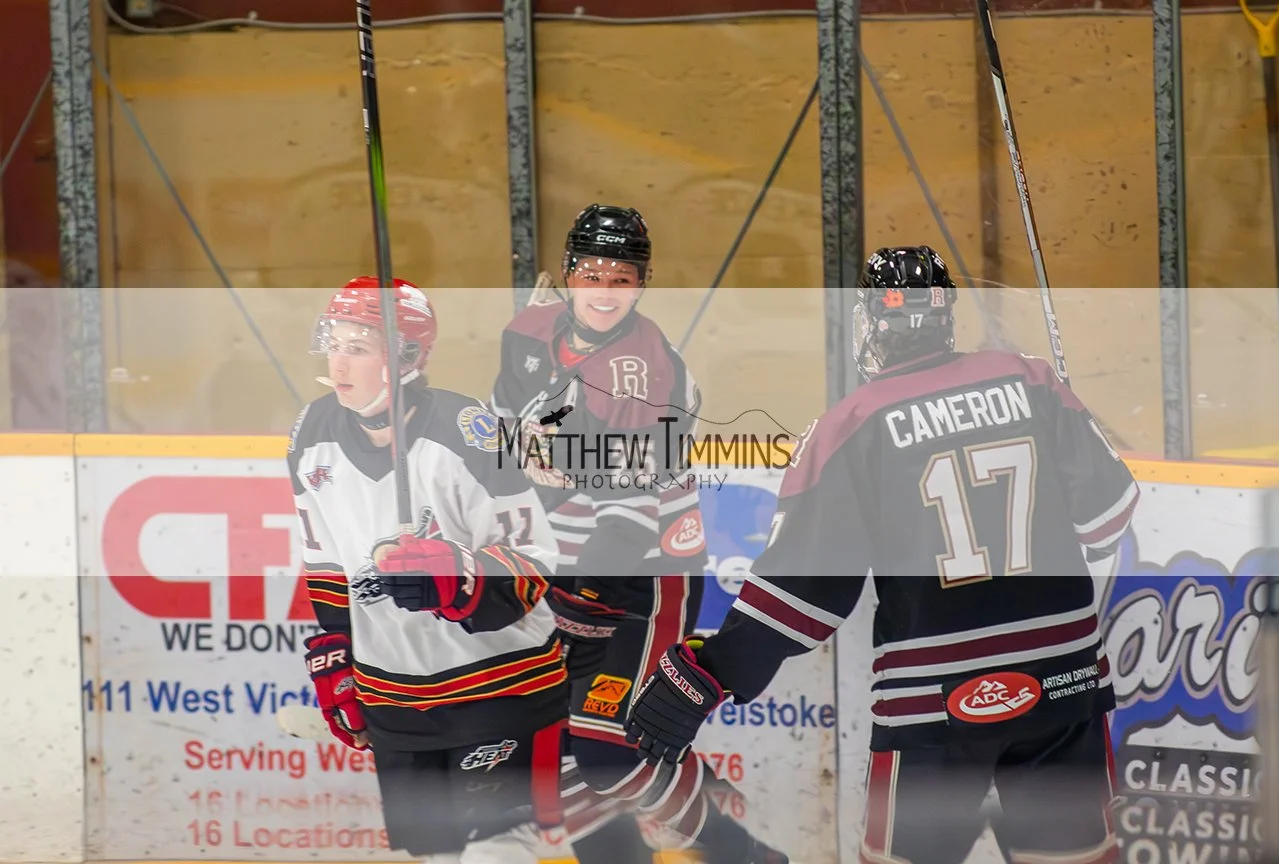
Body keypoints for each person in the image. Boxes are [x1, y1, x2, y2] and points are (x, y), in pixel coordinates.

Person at [626, 246, 1139, 864]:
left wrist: (711, 674)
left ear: (871, 321)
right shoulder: (1032, 380)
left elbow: (801, 596)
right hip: (1064, 678)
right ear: (945, 314)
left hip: (935, 700)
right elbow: (1108, 520)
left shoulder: (851, 426)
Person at [490, 204, 787, 864]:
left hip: (642, 577)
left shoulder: (645, 373)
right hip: (568, 561)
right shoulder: (528, 333)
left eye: (621, 279)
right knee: (544, 750)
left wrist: (579, 608)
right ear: (568, 273)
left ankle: (744, 853)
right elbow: (500, 438)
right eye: (592, 274)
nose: (605, 292)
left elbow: (625, 522)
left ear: (642, 284)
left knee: (607, 753)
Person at [289, 277, 568, 864]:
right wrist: (339, 648)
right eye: (334, 345)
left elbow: (534, 557)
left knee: (499, 849)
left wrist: (459, 580)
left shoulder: (467, 431)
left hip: (501, 685)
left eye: (358, 348)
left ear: (407, 356)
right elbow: (326, 562)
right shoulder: (311, 434)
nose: (338, 363)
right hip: (394, 694)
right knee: (433, 855)